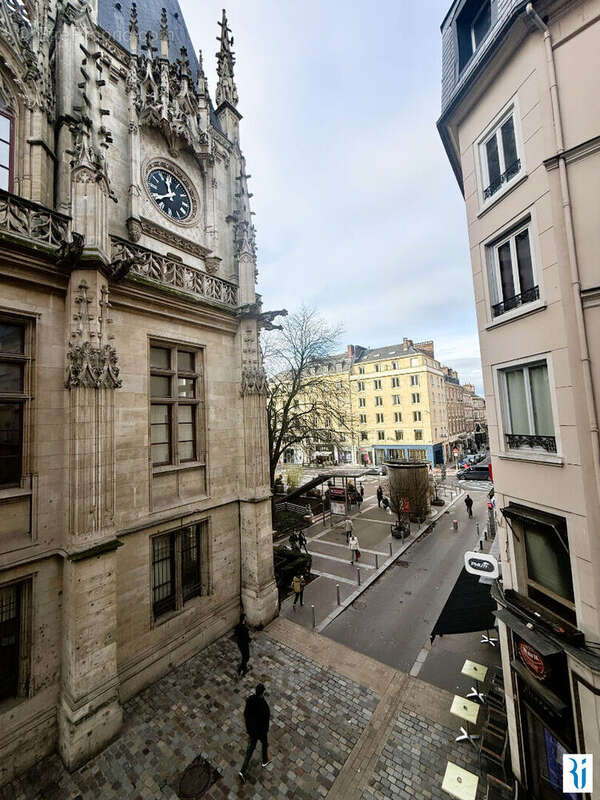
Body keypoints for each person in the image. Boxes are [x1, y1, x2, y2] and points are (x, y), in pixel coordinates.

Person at [239, 684, 271, 781]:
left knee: (250, 751)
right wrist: (265, 731)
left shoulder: (250, 699)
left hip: (252, 731)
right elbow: (265, 721)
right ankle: (264, 761)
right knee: (264, 744)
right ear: (262, 693)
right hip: (260, 732)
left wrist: (249, 728)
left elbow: (246, 714)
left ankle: (242, 771)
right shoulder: (264, 706)